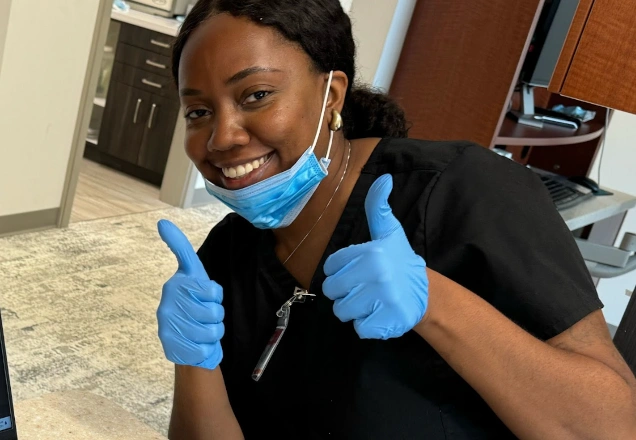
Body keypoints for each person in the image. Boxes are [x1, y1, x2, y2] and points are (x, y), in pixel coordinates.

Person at [155, 0, 636, 438]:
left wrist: (435, 305)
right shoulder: (224, 256)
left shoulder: (465, 193)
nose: (221, 137)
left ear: (332, 94)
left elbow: (613, 428)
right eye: (197, 111)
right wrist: (194, 364)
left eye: (256, 94)